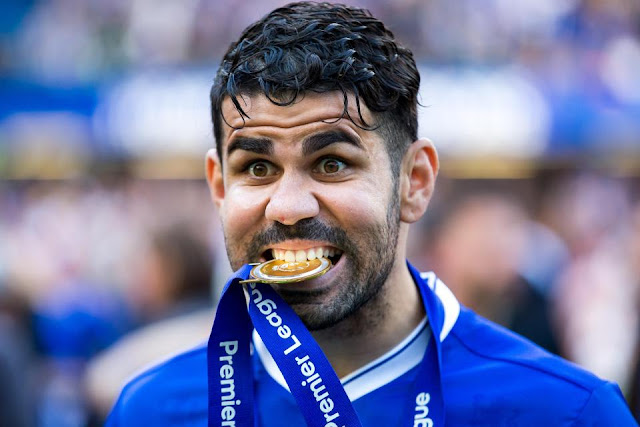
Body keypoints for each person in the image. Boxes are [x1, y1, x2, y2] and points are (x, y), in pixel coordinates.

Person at [106, 2, 636, 425]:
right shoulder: (150, 411)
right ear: (220, 186)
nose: (288, 207)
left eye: (332, 163)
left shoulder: (568, 412)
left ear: (415, 182)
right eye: (257, 168)